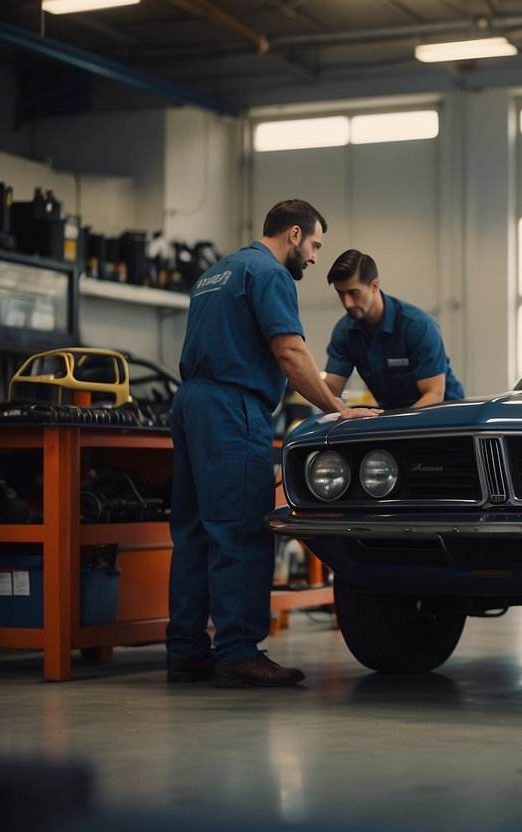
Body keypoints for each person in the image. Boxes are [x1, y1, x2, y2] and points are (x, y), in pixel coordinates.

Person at [167, 200, 379, 688]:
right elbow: (289, 350)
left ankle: (185, 649)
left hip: (190, 404)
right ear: (295, 234)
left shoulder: (217, 272)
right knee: (241, 530)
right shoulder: (269, 274)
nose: (314, 258)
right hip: (231, 408)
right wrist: (338, 409)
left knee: (195, 532)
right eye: (315, 246)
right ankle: (238, 651)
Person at [322, 249, 464, 410]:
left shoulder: (418, 326)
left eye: (354, 293)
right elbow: (332, 390)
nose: (347, 303)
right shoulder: (344, 332)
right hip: (394, 414)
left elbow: (434, 394)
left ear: (375, 286)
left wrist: (397, 429)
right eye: (340, 294)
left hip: (444, 414)